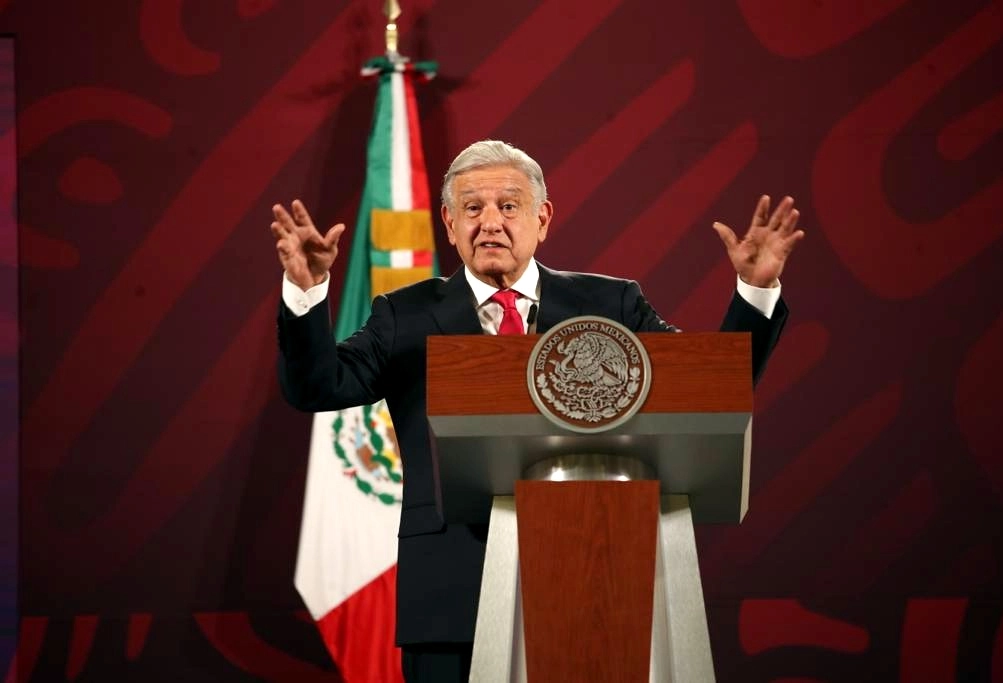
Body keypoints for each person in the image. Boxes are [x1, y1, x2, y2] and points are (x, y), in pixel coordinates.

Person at [272, 140, 803, 681]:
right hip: (453, 592)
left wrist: (755, 293)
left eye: (509, 205)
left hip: (597, 583)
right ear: (450, 223)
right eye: (473, 208)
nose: (491, 222)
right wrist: (306, 294)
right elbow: (318, 387)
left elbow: (709, 386)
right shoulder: (403, 316)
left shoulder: (611, 305)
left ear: (542, 218)